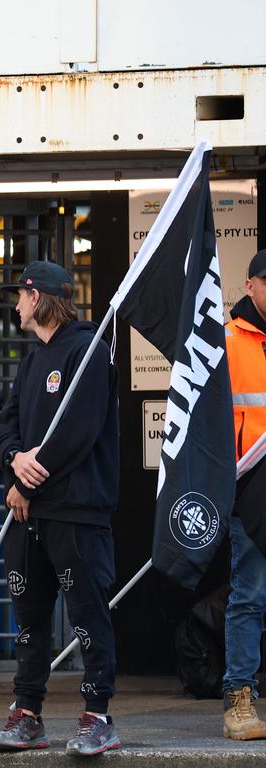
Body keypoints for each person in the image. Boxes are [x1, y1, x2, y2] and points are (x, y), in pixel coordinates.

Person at [0, 261, 120, 757]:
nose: (16, 304)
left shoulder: (89, 350)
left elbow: (77, 434)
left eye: (21, 295)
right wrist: (13, 461)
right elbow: (6, 428)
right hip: (28, 517)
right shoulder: (29, 361)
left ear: (40, 298)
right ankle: (27, 714)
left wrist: (28, 481)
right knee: (30, 620)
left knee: (88, 616)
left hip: (76, 512)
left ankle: (98, 716)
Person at [222, 249, 266, 740]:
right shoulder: (227, 340)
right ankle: (238, 700)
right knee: (250, 595)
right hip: (250, 486)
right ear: (250, 284)